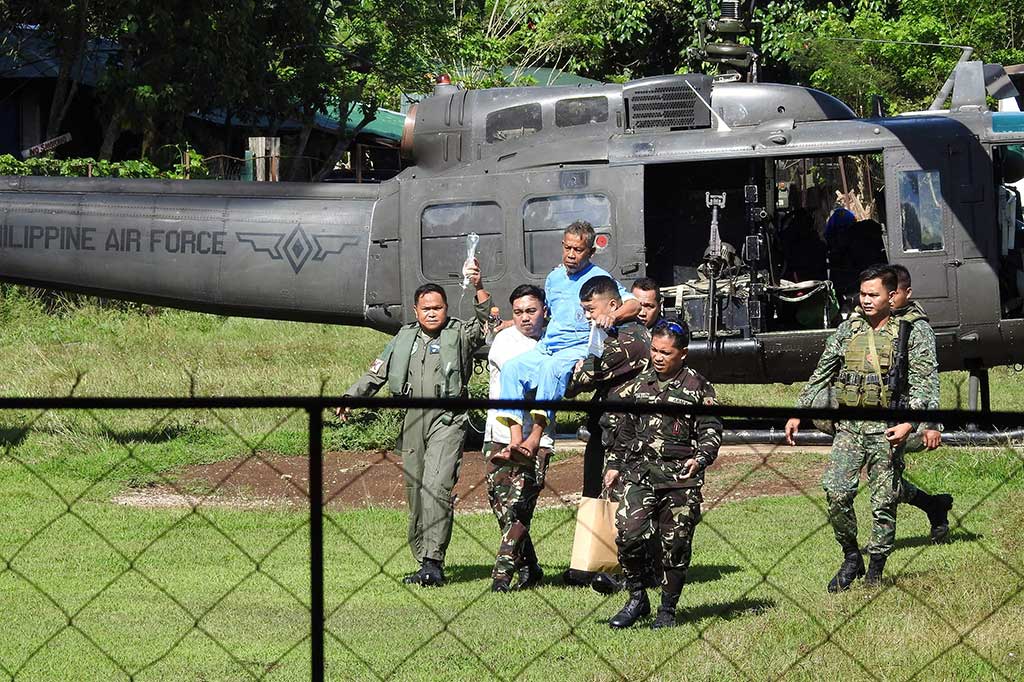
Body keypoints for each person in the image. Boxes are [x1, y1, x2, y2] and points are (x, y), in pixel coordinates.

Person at [784, 265, 940, 591]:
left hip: (887, 429)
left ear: (891, 295)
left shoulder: (912, 331)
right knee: (836, 491)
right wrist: (798, 411)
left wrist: (912, 424)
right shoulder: (849, 328)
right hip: (850, 427)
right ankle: (851, 555)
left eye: (874, 295)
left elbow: (926, 383)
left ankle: (876, 569)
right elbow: (822, 371)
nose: (866, 300)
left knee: (883, 501)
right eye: (863, 294)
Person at [339, 271, 491, 588]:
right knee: (416, 491)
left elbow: (483, 325)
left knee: (437, 487)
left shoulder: (459, 333)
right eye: (426, 308)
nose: (433, 313)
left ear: (446, 308)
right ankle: (423, 559)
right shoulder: (404, 338)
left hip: (447, 419)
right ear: (416, 309)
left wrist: (478, 287)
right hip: (411, 419)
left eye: (438, 307)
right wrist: (352, 397)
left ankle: (434, 561)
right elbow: (376, 373)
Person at [604, 319, 723, 629]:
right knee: (628, 535)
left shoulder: (698, 386)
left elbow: (711, 428)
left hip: (679, 479)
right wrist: (614, 465)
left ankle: (667, 611)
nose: (657, 357)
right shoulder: (640, 385)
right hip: (640, 473)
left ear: (682, 354)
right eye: (654, 350)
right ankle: (636, 598)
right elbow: (625, 430)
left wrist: (701, 458)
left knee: (676, 546)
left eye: (665, 352)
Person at [495, 221, 638, 461]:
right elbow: (548, 312)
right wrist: (512, 322)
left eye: (578, 250)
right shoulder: (554, 278)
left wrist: (611, 315)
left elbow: (633, 304)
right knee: (511, 369)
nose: (571, 255)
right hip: (548, 346)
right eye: (568, 248)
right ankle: (514, 442)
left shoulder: (600, 279)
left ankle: (534, 440)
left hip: (577, 348)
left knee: (551, 370)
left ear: (591, 252)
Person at [561, 275, 653, 592]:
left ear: (612, 305)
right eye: (583, 310)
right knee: (596, 498)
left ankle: (631, 573)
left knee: (625, 505)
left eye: (591, 309)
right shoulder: (608, 334)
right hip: (606, 432)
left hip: (629, 438)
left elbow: (577, 382)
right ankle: (591, 564)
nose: (587, 316)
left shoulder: (630, 341)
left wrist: (567, 366)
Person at [484, 284, 555, 592]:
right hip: (499, 435)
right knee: (500, 505)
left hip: (537, 439)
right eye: (519, 313)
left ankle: (502, 576)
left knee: (520, 505)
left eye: (531, 311)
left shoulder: (556, 343)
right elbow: (529, 382)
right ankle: (532, 566)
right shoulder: (505, 342)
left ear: (545, 312)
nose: (525, 318)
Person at [887, 263, 954, 543]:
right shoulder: (875, 320)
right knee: (885, 478)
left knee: (886, 479)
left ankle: (883, 543)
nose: (888, 298)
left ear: (907, 292)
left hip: (906, 412)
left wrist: (930, 423)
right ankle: (933, 505)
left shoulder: (917, 327)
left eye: (894, 293)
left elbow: (928, 377)